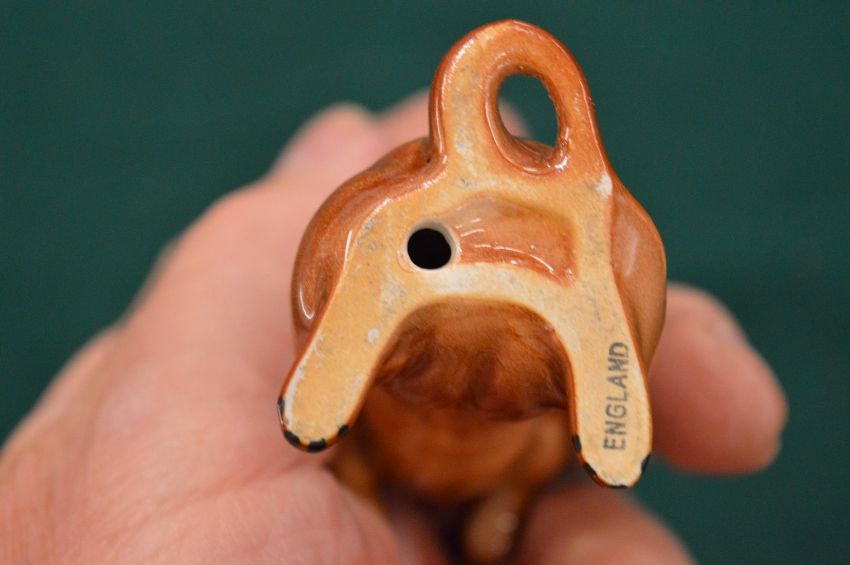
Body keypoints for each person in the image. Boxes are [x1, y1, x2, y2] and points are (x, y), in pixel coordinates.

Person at [0, 95, 787, 564]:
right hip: (375, 445)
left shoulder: (594, 298)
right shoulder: (363, 258)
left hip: (508, 459)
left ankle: (503, 498)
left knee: (538, 455)